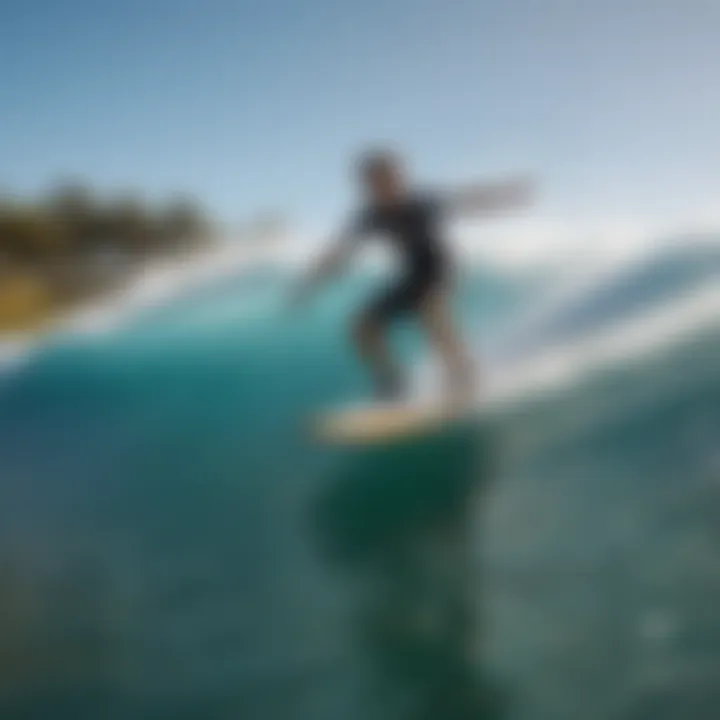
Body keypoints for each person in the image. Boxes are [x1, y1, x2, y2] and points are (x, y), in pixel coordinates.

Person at [293, 150, 534, 403]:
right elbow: (339, 254)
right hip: (411, 274)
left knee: (430, 312)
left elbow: (469, 200)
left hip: (440, 267)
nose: (381, 187)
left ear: (398, 178)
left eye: (387, 179)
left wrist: (509, 193)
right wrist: (309, 286)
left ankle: (464, 377)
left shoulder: (421, 202)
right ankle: (393, 383)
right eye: (373, 182)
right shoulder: (370, 216)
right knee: (361, 327)